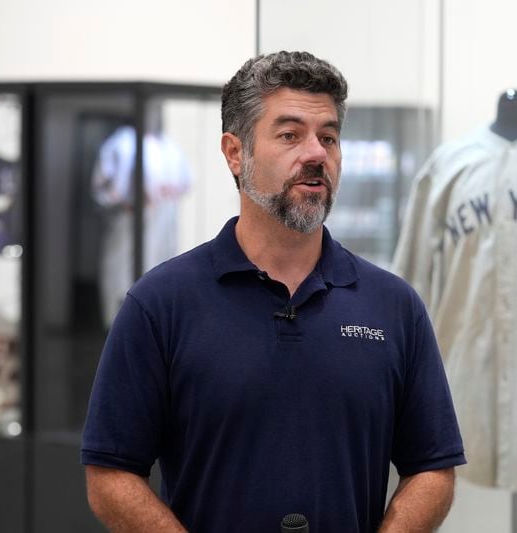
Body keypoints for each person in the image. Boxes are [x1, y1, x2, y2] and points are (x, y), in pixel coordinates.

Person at [81, 50, 465, 533]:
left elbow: (432, 467)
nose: (316, 154)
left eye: (329, 137)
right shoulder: (161, 304)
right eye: (290, 135)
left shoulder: (393, 306)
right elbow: (111, 474)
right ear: (235, 152)